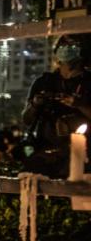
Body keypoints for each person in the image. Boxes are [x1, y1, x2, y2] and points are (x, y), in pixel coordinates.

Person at [22, 38, 91, 178]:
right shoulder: (44, 82)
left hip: (83, 153)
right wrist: (35, 104)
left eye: (71, 45)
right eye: (62, 45)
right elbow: (27, 119)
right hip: (46, 152)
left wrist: (79, 105)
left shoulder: (89, 81)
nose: (66, 49)